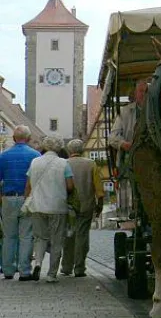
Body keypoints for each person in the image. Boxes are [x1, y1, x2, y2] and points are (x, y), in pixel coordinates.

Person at [25, 135, 75, 282]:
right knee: (56, 240)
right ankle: (51, 274)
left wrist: (27, 200)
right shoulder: (64, 163)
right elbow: (70, 186)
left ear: (45, 146)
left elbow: (28, 186)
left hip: (37, 206)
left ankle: (38, 263)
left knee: (39, 238)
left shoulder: (35, 162)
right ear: (59, 147)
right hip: (57, 207)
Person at [0, 126, 40, 281]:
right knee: (26, 236)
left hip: (8, 198)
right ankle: (24, 271)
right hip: (27, 199)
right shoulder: (35, 156)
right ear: (28, 138)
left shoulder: (3, 156)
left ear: (13, 138)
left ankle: (8, 270)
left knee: (8, 236)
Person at [60, 139, 104, 278]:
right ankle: (79, 268)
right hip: (86, 205)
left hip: (68, 206)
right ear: (83, 150)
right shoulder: (91, 164)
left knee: (68, 235)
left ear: (69, 151)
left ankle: (66, 266)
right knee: (82, 235)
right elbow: (98, 186)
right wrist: (100, 203)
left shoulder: (63, 164)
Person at [108, 81, 147, 218]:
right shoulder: (125, 112)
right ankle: (131, 211)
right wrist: (125, 144)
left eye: (147, 91)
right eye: (141, 91)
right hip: (130, 159)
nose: (145, 94)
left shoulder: (158, 110)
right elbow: (112, 137)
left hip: (151, 160)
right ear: (135, 94)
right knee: (129, 184)